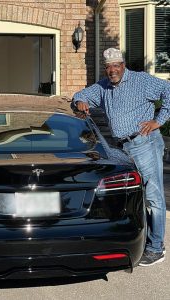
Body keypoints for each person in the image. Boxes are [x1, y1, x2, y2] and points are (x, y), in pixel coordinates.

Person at [72, 47, 170, 267]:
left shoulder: (141, 81)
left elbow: (169, 91)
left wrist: (159, 120)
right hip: (122, 149)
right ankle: (143, 240)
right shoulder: (104, 86)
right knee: (136, 196)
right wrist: (80, 102)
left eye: (116, 66)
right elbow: (81, 95)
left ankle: (156, 248)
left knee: (153, 196)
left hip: (144, 143)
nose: (112, 70)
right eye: (108, 67)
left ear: (123, 65)